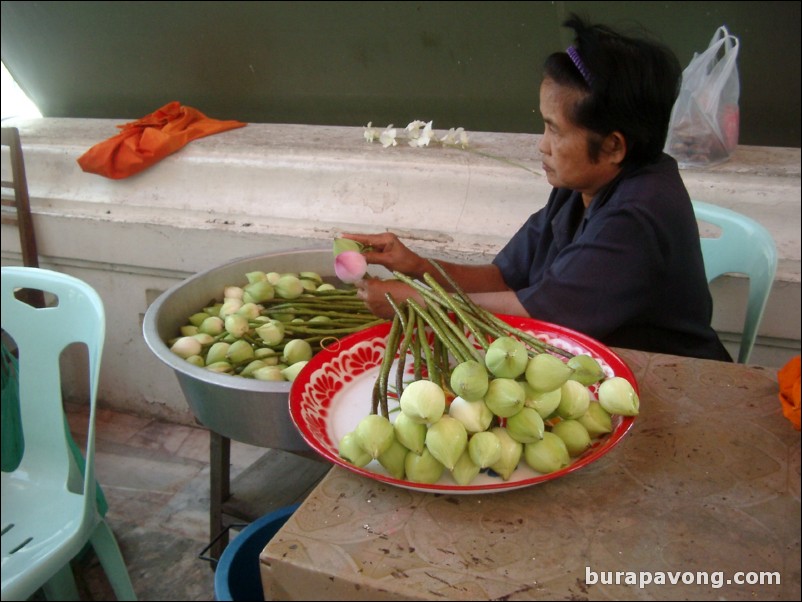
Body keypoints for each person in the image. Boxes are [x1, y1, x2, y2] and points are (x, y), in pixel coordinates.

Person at [344, 15, 732, 362]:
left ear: (613, 146)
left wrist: (418, 301)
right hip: (594, 363)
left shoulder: (638, 214)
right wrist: (416, 267)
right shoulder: (580, 184)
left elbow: (537, 314)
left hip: (672, 380)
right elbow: (505, 278)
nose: (542, 145)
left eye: (555, 129)